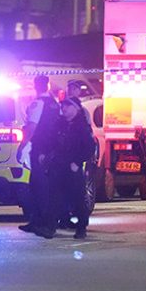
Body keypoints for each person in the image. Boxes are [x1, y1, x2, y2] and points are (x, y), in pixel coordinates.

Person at [16, 75, 61, 236]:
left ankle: (44, 224)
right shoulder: (55, 104)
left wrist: (22, 146)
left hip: (40, 148)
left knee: (39, 187)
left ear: (36, 86)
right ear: (47, 86)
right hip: (52, 149)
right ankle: (38, 222)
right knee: (44, 187)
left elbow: (31, 127)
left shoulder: (38, 103)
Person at [51, 97, 96, 239]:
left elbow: (89, 148)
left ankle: (81, 227)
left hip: (73, 169)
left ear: (76, 109)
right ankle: (56, 223)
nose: (63, 109)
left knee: (77, 198)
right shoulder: (59, 125)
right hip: (59, 166)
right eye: (63, 106)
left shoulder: (82, 127)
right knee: (57, 197)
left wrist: (77, 162)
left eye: (67, 106)